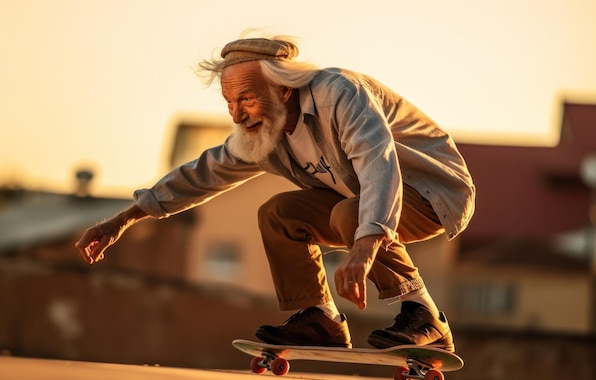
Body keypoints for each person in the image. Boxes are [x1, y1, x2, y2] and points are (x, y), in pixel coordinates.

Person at [75, 34, 475, 352]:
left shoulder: (340, 93)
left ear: (284, 89)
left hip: (432, 193)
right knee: (279, 213)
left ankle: (424, 315)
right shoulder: (262, 134)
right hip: (360, 207)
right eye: (229, 102)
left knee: (349, 215)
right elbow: (203, 173)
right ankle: (320, 319)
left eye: (246, 98)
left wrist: (366, 245)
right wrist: (123, 218)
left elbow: (378, 162)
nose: (237, 114)